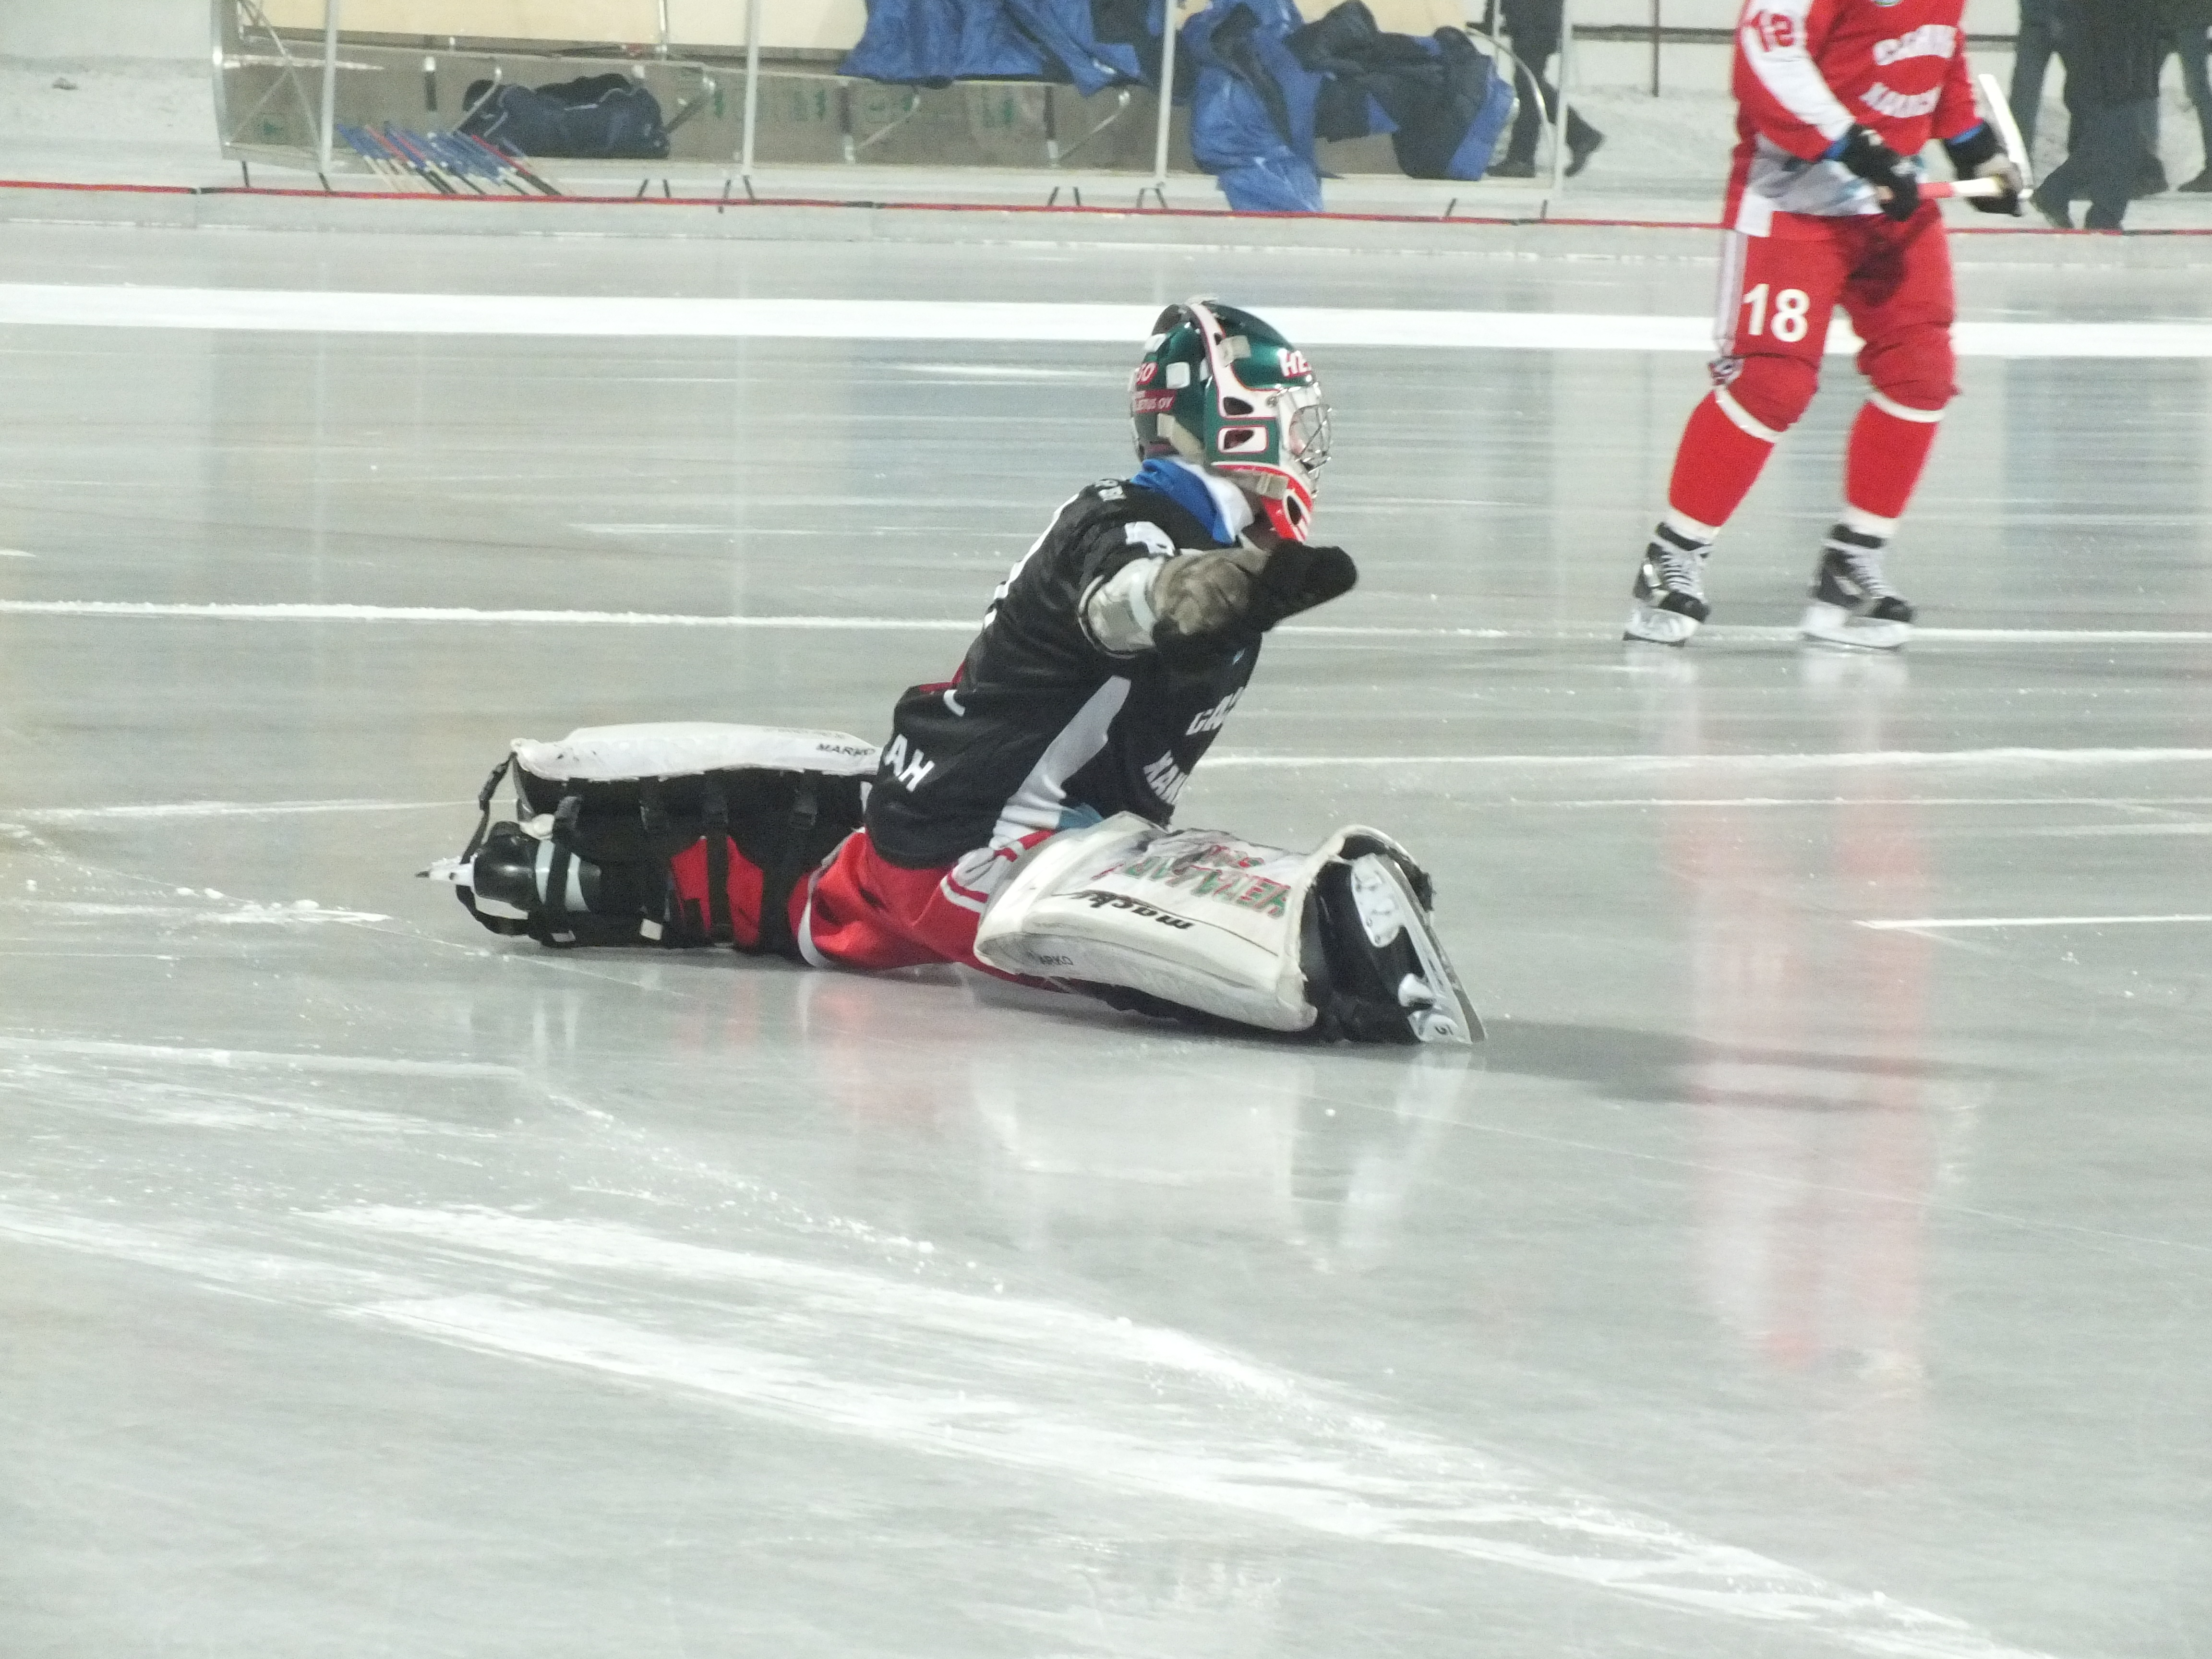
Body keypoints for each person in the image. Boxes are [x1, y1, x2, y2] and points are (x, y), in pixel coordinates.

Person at [1622, 0, 2023, 651]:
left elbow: (1937, 56)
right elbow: (1768, 61)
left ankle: (1853, 560)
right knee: (1770, 385)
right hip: (1794, 202)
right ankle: (1672, 556)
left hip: (1893, 205)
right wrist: (1860, 148)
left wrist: (1975, 151)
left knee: (1922, 374)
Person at [2032, 0, 2161, 228]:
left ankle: (2097, 208)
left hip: (2110, 45)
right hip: (2109, 47)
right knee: (2121, 135)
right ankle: (2094, 208)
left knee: (2117, 135)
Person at [1488, 0, 1604, 179]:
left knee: (1529, 86)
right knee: (1530, 85)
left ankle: (1522, 158)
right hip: (1533, 20)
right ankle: (1580, 135)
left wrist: (1492, 11)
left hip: (1533, 21)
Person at [2008, 0, 2059, 155]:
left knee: (2024, 95)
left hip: (2037, 12)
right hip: (2076, 14)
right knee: (2088, 97)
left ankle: (2018, 162)